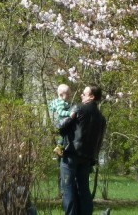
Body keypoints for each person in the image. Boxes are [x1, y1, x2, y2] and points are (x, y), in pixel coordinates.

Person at [58, 84, 107, 215]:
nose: (81, 95)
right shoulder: (101, 118)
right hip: (87, 158)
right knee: (84, 189)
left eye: (84, 94)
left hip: (71, 155)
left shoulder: (78, 108)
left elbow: (61, 127)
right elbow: (99, 141)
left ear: (91, 97)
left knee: (67, 189)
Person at [49, 84, 75, 157]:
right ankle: (59, 147)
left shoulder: (62, 101)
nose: (69, 95)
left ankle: (60, 148)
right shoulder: (61, 103)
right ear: (61, 95)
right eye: (67, 94)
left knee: (63, 135)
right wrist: (69, 113)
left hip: (63, 121)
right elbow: (60, 112)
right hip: (62, 121)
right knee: (63, 135)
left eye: (70, 94)